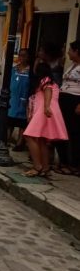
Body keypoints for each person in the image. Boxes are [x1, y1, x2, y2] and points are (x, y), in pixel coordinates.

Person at [23, 62, 68, 177]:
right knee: (42, 140)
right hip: (44, 112)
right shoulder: (52, 82)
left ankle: (37, 166)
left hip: (43, 112)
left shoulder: (46, 80)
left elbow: (48, 90)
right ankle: (45, 167)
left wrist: (47, 106)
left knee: (29, 136)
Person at [57, 40, 80, 176]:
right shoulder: (71, 65)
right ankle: (63, 161)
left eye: (70, 50)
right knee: (62, 131)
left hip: (75, 100)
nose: (68, 52)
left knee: (74, 133)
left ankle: (74, 164)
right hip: (64, 99)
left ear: (77, 51)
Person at [8, 49, 30, 151]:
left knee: (22, 122)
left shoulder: (31, 70)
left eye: (24, 55)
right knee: (10, 120)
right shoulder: (14, 69)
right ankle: (6, 139)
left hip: (24, 99)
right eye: (20, 55)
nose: (22, 57)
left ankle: (20, 143)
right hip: (13, 98)